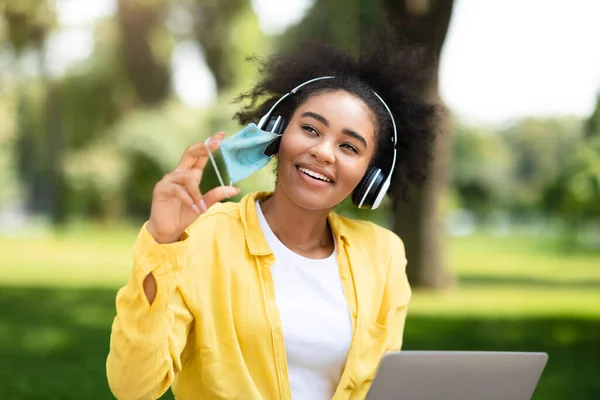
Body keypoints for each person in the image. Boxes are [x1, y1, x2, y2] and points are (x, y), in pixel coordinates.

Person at [106, 37, 442, 400]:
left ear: (371, 177)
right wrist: (163, 243)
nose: (322, 152)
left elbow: (382, 389)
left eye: (349, 147)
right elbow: (132, 388)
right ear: (277, 133)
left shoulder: (384, 254)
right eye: (311, 129)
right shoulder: (202, 237)